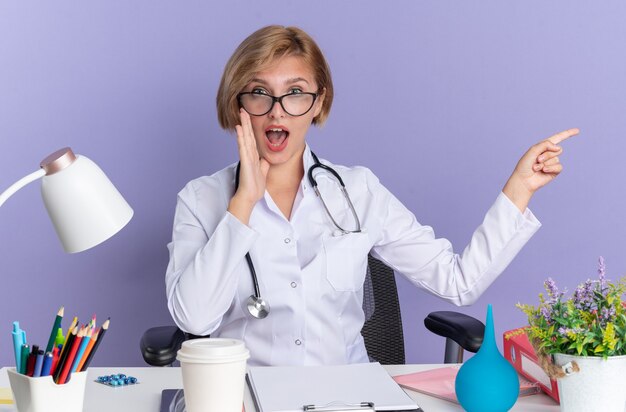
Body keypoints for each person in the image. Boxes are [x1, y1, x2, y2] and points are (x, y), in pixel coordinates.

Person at [165, 25, 578, 366]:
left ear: (318, 102)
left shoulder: (358, 191)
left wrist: (520, 188)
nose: (277, 110)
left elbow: (459, 283)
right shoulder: (201, 200)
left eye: (295, 93)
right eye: (259, 92)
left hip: (349, 399)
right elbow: (196, 320)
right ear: (237, 104)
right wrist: (242, 206)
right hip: (246, 397)